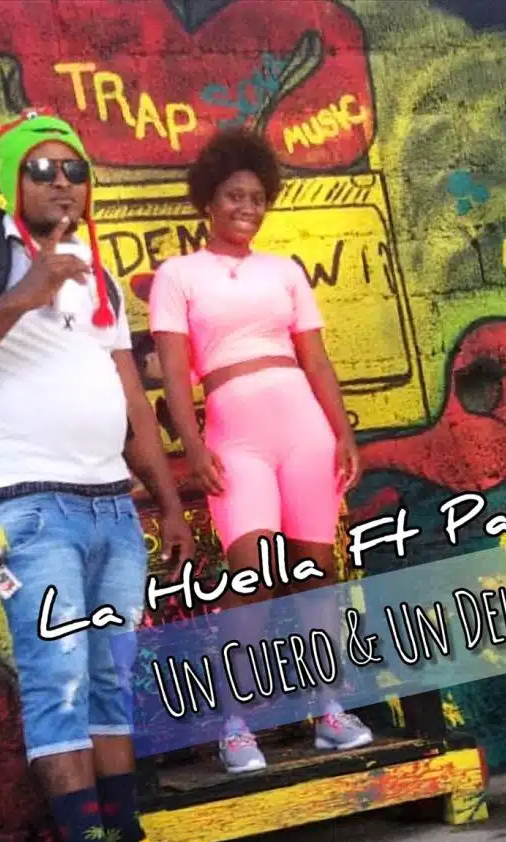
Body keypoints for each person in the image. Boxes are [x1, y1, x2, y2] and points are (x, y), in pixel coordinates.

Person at [0, 109, 226, 842]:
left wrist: (165, 500)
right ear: (14, 181)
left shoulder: (97, 270)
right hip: (22, 504)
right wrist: (24, 293)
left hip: (109, 505)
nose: (62, 183)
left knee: (108, 685)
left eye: (75, 170)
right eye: (43, 169)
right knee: (57, 681)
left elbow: (130, 394)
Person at [147, 126, 374, 774]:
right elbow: (173, 371)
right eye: (233, 196)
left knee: (317, 571)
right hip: (235, 437)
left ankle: (329, 709)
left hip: (305, 429)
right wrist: (193, 447)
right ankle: (236, 722)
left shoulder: (285, 271)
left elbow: (317, 361)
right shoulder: (178, 275)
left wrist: (344, 434)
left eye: (256, 198)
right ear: (207, 200)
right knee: (251, 577)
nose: (246, 208)